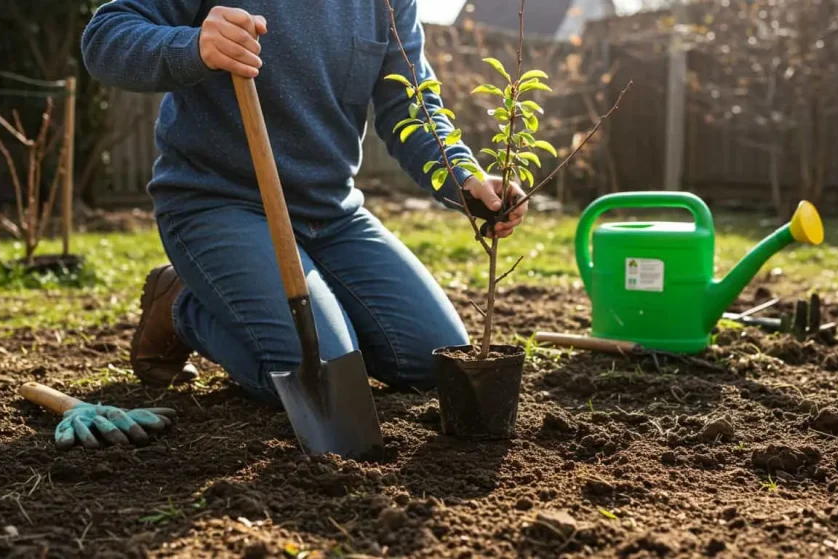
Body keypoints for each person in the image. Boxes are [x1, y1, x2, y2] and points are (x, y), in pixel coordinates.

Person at [80, 1, 528, 405]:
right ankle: (183, 308)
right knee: (323, 383)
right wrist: (193, 45)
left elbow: (410, 103)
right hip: (219, 204)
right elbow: (105, 38)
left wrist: (464, 177)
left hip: (332, 216)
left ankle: (316, 317)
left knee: (434, 361)